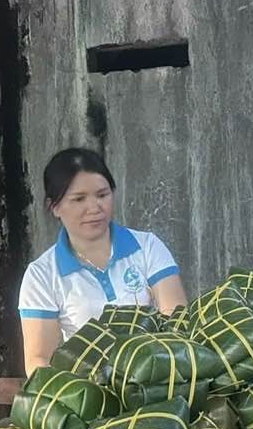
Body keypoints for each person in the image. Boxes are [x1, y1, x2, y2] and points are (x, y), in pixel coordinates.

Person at [18, 148, 187, 374]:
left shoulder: (147, 247)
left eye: (102, 195)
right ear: (55, 207)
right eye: (79, 199)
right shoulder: (41, 275)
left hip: (155, 377)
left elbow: (176, 318)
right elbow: (38, 360)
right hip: (90, 390)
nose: (94, 208)